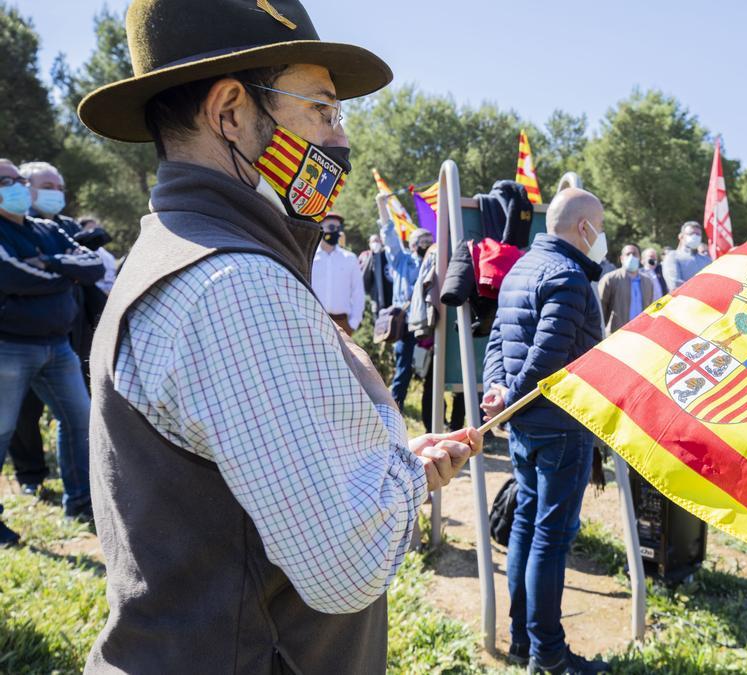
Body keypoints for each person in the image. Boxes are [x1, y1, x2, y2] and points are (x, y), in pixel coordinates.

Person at [74, 1, 481, 670]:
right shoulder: (235, 285)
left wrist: (386, 469)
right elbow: (347, 565)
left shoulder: (172, 248)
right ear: (231, 112)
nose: (340, 137)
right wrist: (385, 420)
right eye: (322, 109)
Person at [481, 187, 610, 674]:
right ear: (584, 228)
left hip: (525, 425)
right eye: (600, 226)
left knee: (526, 527)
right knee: (549, 540)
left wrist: (499, 390)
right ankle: (548, 654)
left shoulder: (523, 266)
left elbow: (497, 338)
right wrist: (510, 394)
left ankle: (521, 641)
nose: (603, 238)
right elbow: (548, 357)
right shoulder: (570, 275)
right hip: (559, 426)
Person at [0, 158, 104, 543]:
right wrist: (65, 275)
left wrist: (49, 261)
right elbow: (11, 276)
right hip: (10, 348)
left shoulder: (47, 230)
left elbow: (91, 263)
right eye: (3, 180)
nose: (12, 186)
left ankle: (80, 502)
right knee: (2, 431)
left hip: (58, 347)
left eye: (15, 179)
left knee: (79, 421)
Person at [380, 198, 432, 406]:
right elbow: (388, 233)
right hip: (407, 324)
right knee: (404, 369)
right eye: (423, 241)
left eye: (430, 240)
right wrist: (381, 205)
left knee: (431, 371)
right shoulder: (402, 260)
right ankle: (395, 408)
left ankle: (435, 414)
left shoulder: (435, 261)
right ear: (412, 245)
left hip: (428, 325)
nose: (427, 244)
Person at [311, 212, 365, 333]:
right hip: (315, 322)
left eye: (338, 228)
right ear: (321, 228)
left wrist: (353, 323)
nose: (335, 231)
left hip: (342, 323)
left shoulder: (350, 258)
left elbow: (358, 292)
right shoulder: (310, 258)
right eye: (331, 227)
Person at [598, 243, 654, 335]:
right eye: (628, 254)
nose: (631, 257)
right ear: (621, 258)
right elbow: (600, 310)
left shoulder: (648, 282)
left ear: (640, 258)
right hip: (617, 335)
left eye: (634, 254)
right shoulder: (610, 279)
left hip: (642, 334)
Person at [661, 221, 711, 291]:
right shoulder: (672, 257)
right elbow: (675, 285)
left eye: (698, 234)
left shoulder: (706, 260)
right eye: (691, 234)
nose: (695, 236)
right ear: (681, 236)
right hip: (683, 300)